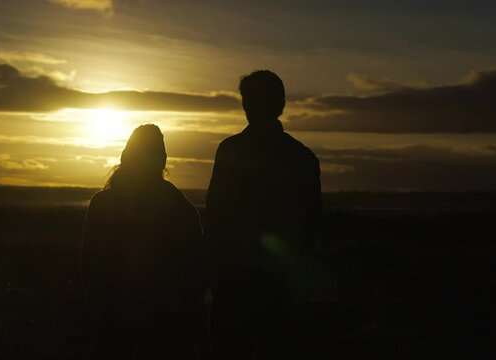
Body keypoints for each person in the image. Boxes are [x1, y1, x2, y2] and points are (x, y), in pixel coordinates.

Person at [205, 70, 322, 358]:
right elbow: (311, 226)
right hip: (260, 281)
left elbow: (215, 215)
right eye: (249, 100)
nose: (250, 107)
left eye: (254, 100)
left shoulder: (232, 151)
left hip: (246, 280)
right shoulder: (301, 157)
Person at [81, 124, 203, 359]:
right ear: (162, 160)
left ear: (126, 157)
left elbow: (91, 266)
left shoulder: (103, 204)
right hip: (165, 323)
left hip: (119, 319)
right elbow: (194, 271)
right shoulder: (181, 207)